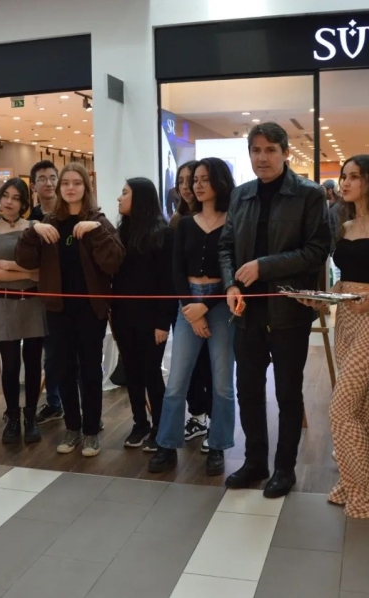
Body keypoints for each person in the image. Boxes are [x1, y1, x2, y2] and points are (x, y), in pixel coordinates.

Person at [219, 123, 331, 498]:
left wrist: (264, 266)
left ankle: (285, 468)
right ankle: (254, 462)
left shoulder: (309, 194)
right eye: (255, 150)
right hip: (246, 312)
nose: (262, 158)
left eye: (269, 150)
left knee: (287, 392)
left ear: (285, 152)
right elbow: (226, 247)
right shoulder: (241, 194)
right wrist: (231, 284)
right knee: (248, 390)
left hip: (289, 311)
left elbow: (317, 251)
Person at [299, 155, 369, 518]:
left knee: (342, 407)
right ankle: (364, 484)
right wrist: (325, 294)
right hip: (344, 317)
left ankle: (365, 491)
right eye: (343, 176)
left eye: (354, 177)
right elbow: (343, 277)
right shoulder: (345, 226)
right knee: (360, 409)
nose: (345, 183)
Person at [16, 162, 125, 457]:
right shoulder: (49, 222)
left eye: (77, 183)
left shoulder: (99, 220)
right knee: (62, 368)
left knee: (90, 370)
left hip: (91, 309)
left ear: (86, 188)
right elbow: (25, 259)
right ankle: (73, 427)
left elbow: (114, 262)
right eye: (66, 183)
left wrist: (96, 231)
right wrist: (33, 229)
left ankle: (91, 431)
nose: (71, 188)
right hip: (58, 308)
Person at [148, 157, 237, 477]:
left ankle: (218, 445)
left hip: (222, 305)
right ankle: (167, 444)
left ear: (219, 182)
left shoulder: (234, 222)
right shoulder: (185, 223)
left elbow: (233, 275)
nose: (195, 185)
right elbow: (176, 272)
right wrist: (190, 308)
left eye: (203, 179)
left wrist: (206, 307)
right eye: (193, 180)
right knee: (176, 381)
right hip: (188, 306)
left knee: (223, 382)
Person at [112, 178, 177, 450]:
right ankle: (140, 423)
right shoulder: (121, 231)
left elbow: (168, 283)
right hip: (123, 316)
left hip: (151, 319)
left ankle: (160, 426)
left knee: (151, 372)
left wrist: (163, 322)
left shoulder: (162, 234)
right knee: (132, 372)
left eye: (124, 193)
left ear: (139, 198)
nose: (119, 198)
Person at [0, 178, 46, 445]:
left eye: (16, 197)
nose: (9, 202)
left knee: (33, 364)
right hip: (4, 303)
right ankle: (12, 416)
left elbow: (41, 274)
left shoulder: (34, 228)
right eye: (5, 196)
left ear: (24, 202)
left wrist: (10, 265)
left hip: (32, 302)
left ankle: (30, 416)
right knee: (9, 366)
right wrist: (22, 271)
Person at [170, 160, 213, 451]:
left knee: (215, 367)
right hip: (184, 300)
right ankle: (196, 416)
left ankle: (212, 422)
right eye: (183, 181)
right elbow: (175, 269)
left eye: (194, 180)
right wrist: (188, 307)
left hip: (213, 301)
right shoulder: (178, 221)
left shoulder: (216, 217)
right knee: (187, 368)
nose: (188, 187)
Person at [28, 160, 65, 426]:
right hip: (36, 295)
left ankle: (76, 404)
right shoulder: (29, 219)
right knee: (49, 354)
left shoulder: (71, 213)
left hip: (68, 294)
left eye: (53, 177)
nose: (49, 183)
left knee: (68, 352)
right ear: (34, 186)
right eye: (42, 178)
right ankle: (54, 402)